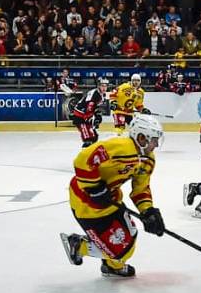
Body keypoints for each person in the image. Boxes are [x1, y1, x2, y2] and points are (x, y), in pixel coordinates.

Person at [59, 114, 165, 278]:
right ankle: (80, 246)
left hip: (111, 200)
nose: (156, 144)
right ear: (141, 137)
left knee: (130, 236)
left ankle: (111, 266)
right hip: (86, 203)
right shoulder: (119, 146)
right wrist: (94, 187)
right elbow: (82, 159)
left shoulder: (148, 159)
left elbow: (140, 189)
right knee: (120, 250)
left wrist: (148, 211)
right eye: (154, 140)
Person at [70, 78, 110, 147]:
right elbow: (89, 107)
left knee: (94, 137)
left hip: (85, 115)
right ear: (98, 86)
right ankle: (85, 152)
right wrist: (90, 118)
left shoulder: (101, 95)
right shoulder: (95, 94)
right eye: (102, 86)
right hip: (80, 116)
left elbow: (95, 107)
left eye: (105, 86)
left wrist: (97, 116)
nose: (104, 88)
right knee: (87, 138)